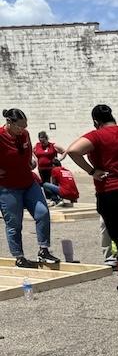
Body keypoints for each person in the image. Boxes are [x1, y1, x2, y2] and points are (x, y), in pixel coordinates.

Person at [66, 104, 118, 293]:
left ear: (95, 122)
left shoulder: (97, 136)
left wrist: (92, 171)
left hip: (111, 192)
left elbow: (73, 150)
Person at [0, 108, 60, 268]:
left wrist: (31, 160)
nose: (22, 129)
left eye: (24, 125)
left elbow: (28, 151)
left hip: (28, 183)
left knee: (43, 213)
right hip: (8, 188)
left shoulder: (24, 134)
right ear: (9, 122)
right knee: (14, 224)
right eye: (19, 126)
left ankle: (44, 251)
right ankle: (19, 257)